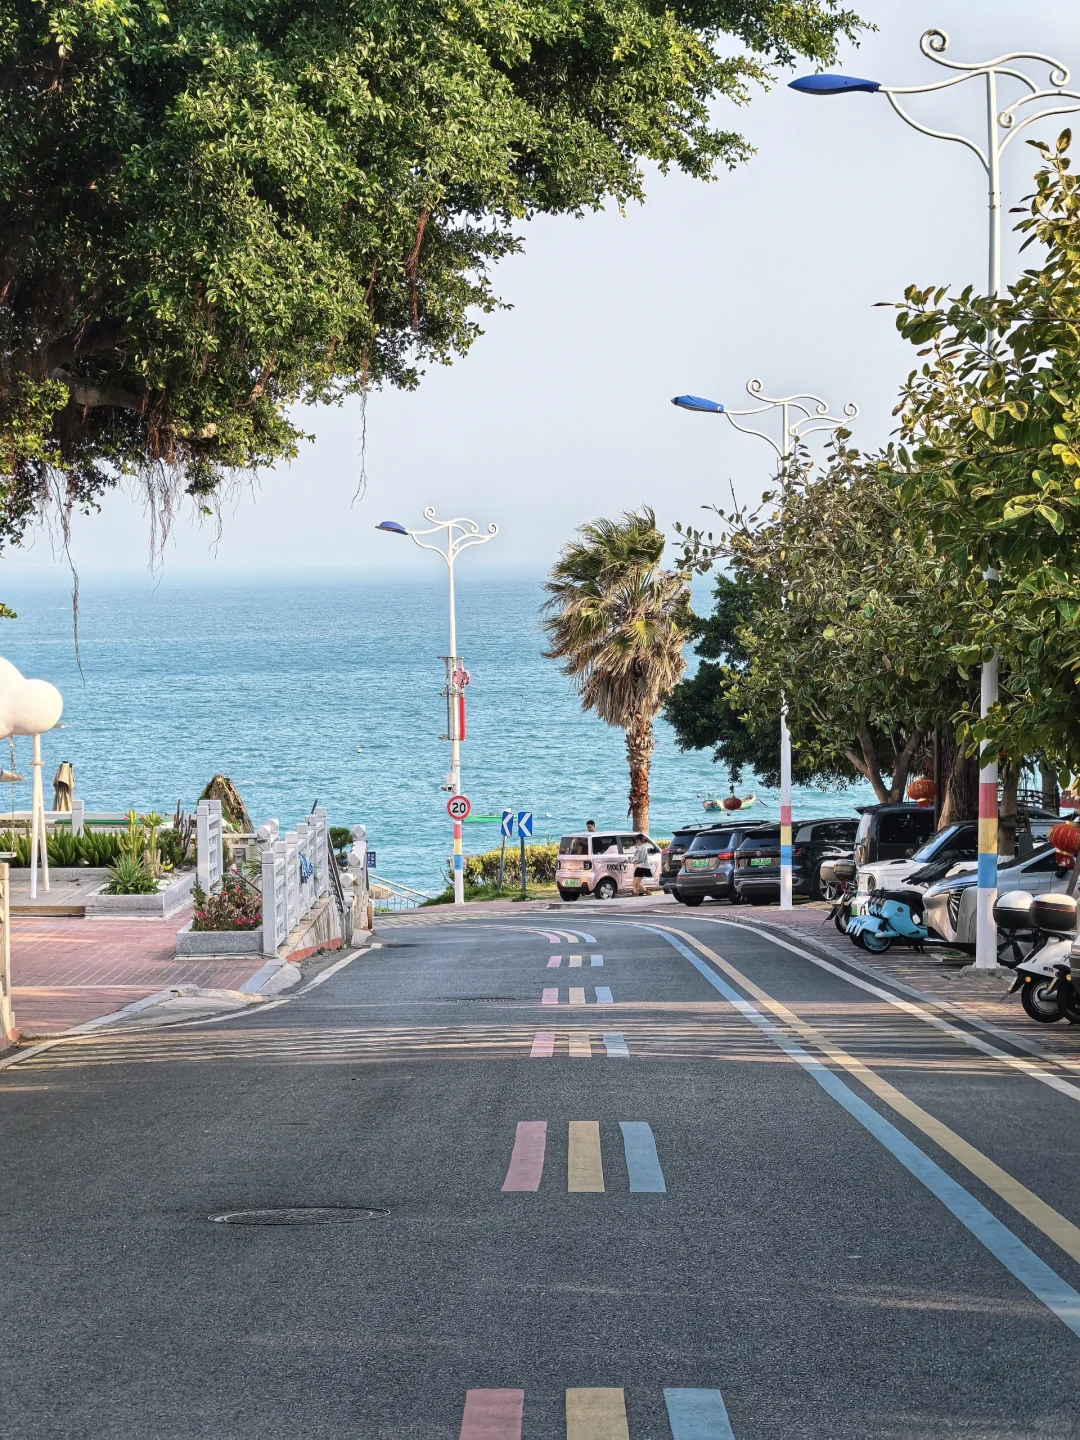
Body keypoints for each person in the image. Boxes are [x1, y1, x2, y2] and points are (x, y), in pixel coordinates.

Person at [631, 832, 652, 896]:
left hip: (643, 867)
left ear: (639, 840)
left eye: (636, 840)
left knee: (636, 883)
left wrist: (635, 861)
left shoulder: (643, 848)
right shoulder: (639, 847)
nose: (636, 841)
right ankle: (640, 893)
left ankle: (646, 892)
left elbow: (641, 859)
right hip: (639, 867)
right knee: (634, 883)